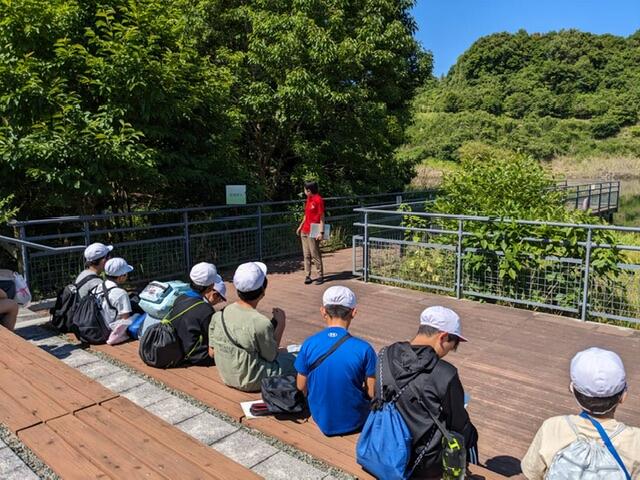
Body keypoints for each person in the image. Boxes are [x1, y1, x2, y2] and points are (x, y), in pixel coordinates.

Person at [376, 306, 478, 478]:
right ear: (443, 337)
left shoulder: (385, 353)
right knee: (470, 437)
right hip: (421, 463)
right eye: (451, 347)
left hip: (383, 443)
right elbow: (458, 425)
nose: (447, 353)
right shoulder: (445, 373)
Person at [521, 347, 639, 479]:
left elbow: (532, 473)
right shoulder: (636, 440)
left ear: (573, 390)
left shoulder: (553, 427)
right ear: (623, 396)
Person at [295, 286, 376, 436]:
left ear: (323, 311)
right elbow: (372, 392)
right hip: (355, 421)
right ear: (353, 312)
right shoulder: (364, 348)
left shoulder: (309, 343)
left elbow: (301, 386)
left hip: (319, 417)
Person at [208, 261, 296, 392]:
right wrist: (281, 324)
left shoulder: (219, 315)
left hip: (226, 375)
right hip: (251, 380)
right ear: (262, 291)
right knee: (299, 359)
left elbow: (212, 352)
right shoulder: (260, 322)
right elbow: (271, 356)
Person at [169, 262, 226, 366]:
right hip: (197, 356)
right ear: (211, 286)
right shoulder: (206, 309)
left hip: (177, 348)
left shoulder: (180, 298)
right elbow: (211, 339)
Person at [93, 257, 135, 343]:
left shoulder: (98, 287)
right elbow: (125, 319)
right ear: (121, 277)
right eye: (126, 274)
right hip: (108, 330)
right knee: (139, 316)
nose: (127, 276)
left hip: (97, 326)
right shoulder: (121, 293)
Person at [296, 180, 325, 285]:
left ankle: (320, 275)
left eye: (305, 189)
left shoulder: (318, 200)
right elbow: (306, 214)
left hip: (314, 229)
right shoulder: (309, 198)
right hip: (305, 229)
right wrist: (300, 226)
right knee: (306, 254)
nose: (304, 191)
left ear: (309, 190)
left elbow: (322, 217)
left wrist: (321, 232)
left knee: (315, 253)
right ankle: (307, 275)